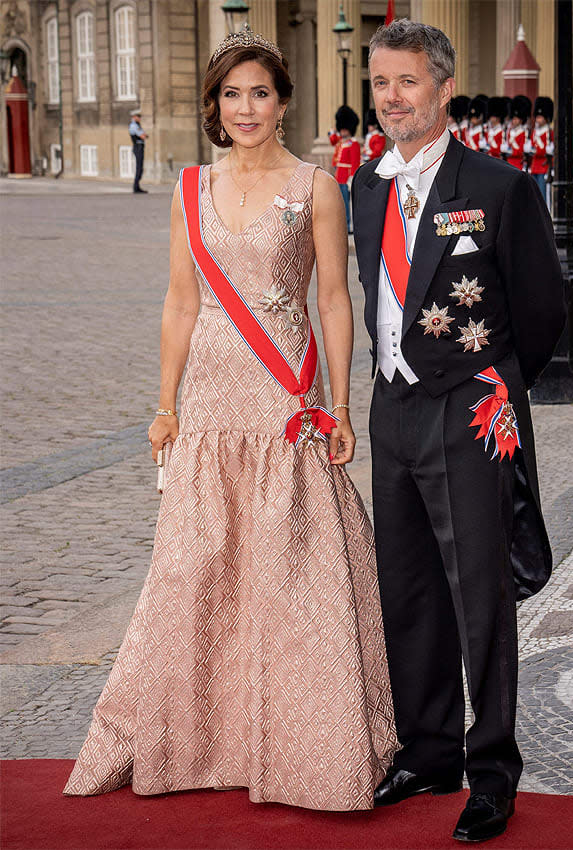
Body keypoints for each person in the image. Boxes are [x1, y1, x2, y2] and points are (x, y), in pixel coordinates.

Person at [64, 27, 397, 811]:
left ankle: (308, 744)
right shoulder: (187, 189)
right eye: (231, 94)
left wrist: (340, 403)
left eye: (260, 92)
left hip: (287, 396)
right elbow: (181, 304)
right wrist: (165, 404)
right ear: (215, 105)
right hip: (212, 402)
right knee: (197, 569)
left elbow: (334, 300)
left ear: (283, 102)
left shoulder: (317, 186)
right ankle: (205, 739)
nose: (245, 107)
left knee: (293, 572)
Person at [352, 19, 565, 843]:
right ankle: (429, 749)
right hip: (391, 406)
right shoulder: (367, 186)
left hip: (470, 409)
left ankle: (493, 769)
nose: (392, 98)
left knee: (480, 597)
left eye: (407, 82)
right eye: (380, 83)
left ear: (442, 87)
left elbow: (540, 310)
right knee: (407, 589)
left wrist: (493, 384)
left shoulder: (500, 186)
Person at [328, 106, 361, 233]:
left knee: (347, 204)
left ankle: (348, 225)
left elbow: (355, 162)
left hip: (346, 177)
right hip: (339, 176)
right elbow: (332, 140)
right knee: (340, 203)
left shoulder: (354, 144)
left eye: (344, 129)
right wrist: (333, 130)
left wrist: (352, 177)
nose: (342, 132)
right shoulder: (341, 142)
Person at [528, 97, 554, 209]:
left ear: (546, 118)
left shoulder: (549, 132)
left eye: (540, 117)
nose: (538, 119)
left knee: (544, 196)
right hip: (535, 166)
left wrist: (538, 151)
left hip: (544, 167)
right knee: (534, 195)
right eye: (537, 117)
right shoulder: (534, 132)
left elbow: (547, 151)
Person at [501, 95, 530, 169]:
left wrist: (512, 151)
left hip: (519, 164)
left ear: (521, 120)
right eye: (513, 119)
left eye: (516, 119)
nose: (514, 121)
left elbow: (521, 151)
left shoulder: (524, 132)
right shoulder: (508, 132)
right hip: (508, 163)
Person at [128, 110, 148, 194]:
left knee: (140, 168)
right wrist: (144, 135)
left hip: (139, 147)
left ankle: (137, 186)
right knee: (139, 167)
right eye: (138, 116)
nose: (140, 118)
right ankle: (136, 187)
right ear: (134, 117)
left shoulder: (136, 125)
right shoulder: (134, 126)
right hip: (138, 147)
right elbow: (143, 136)